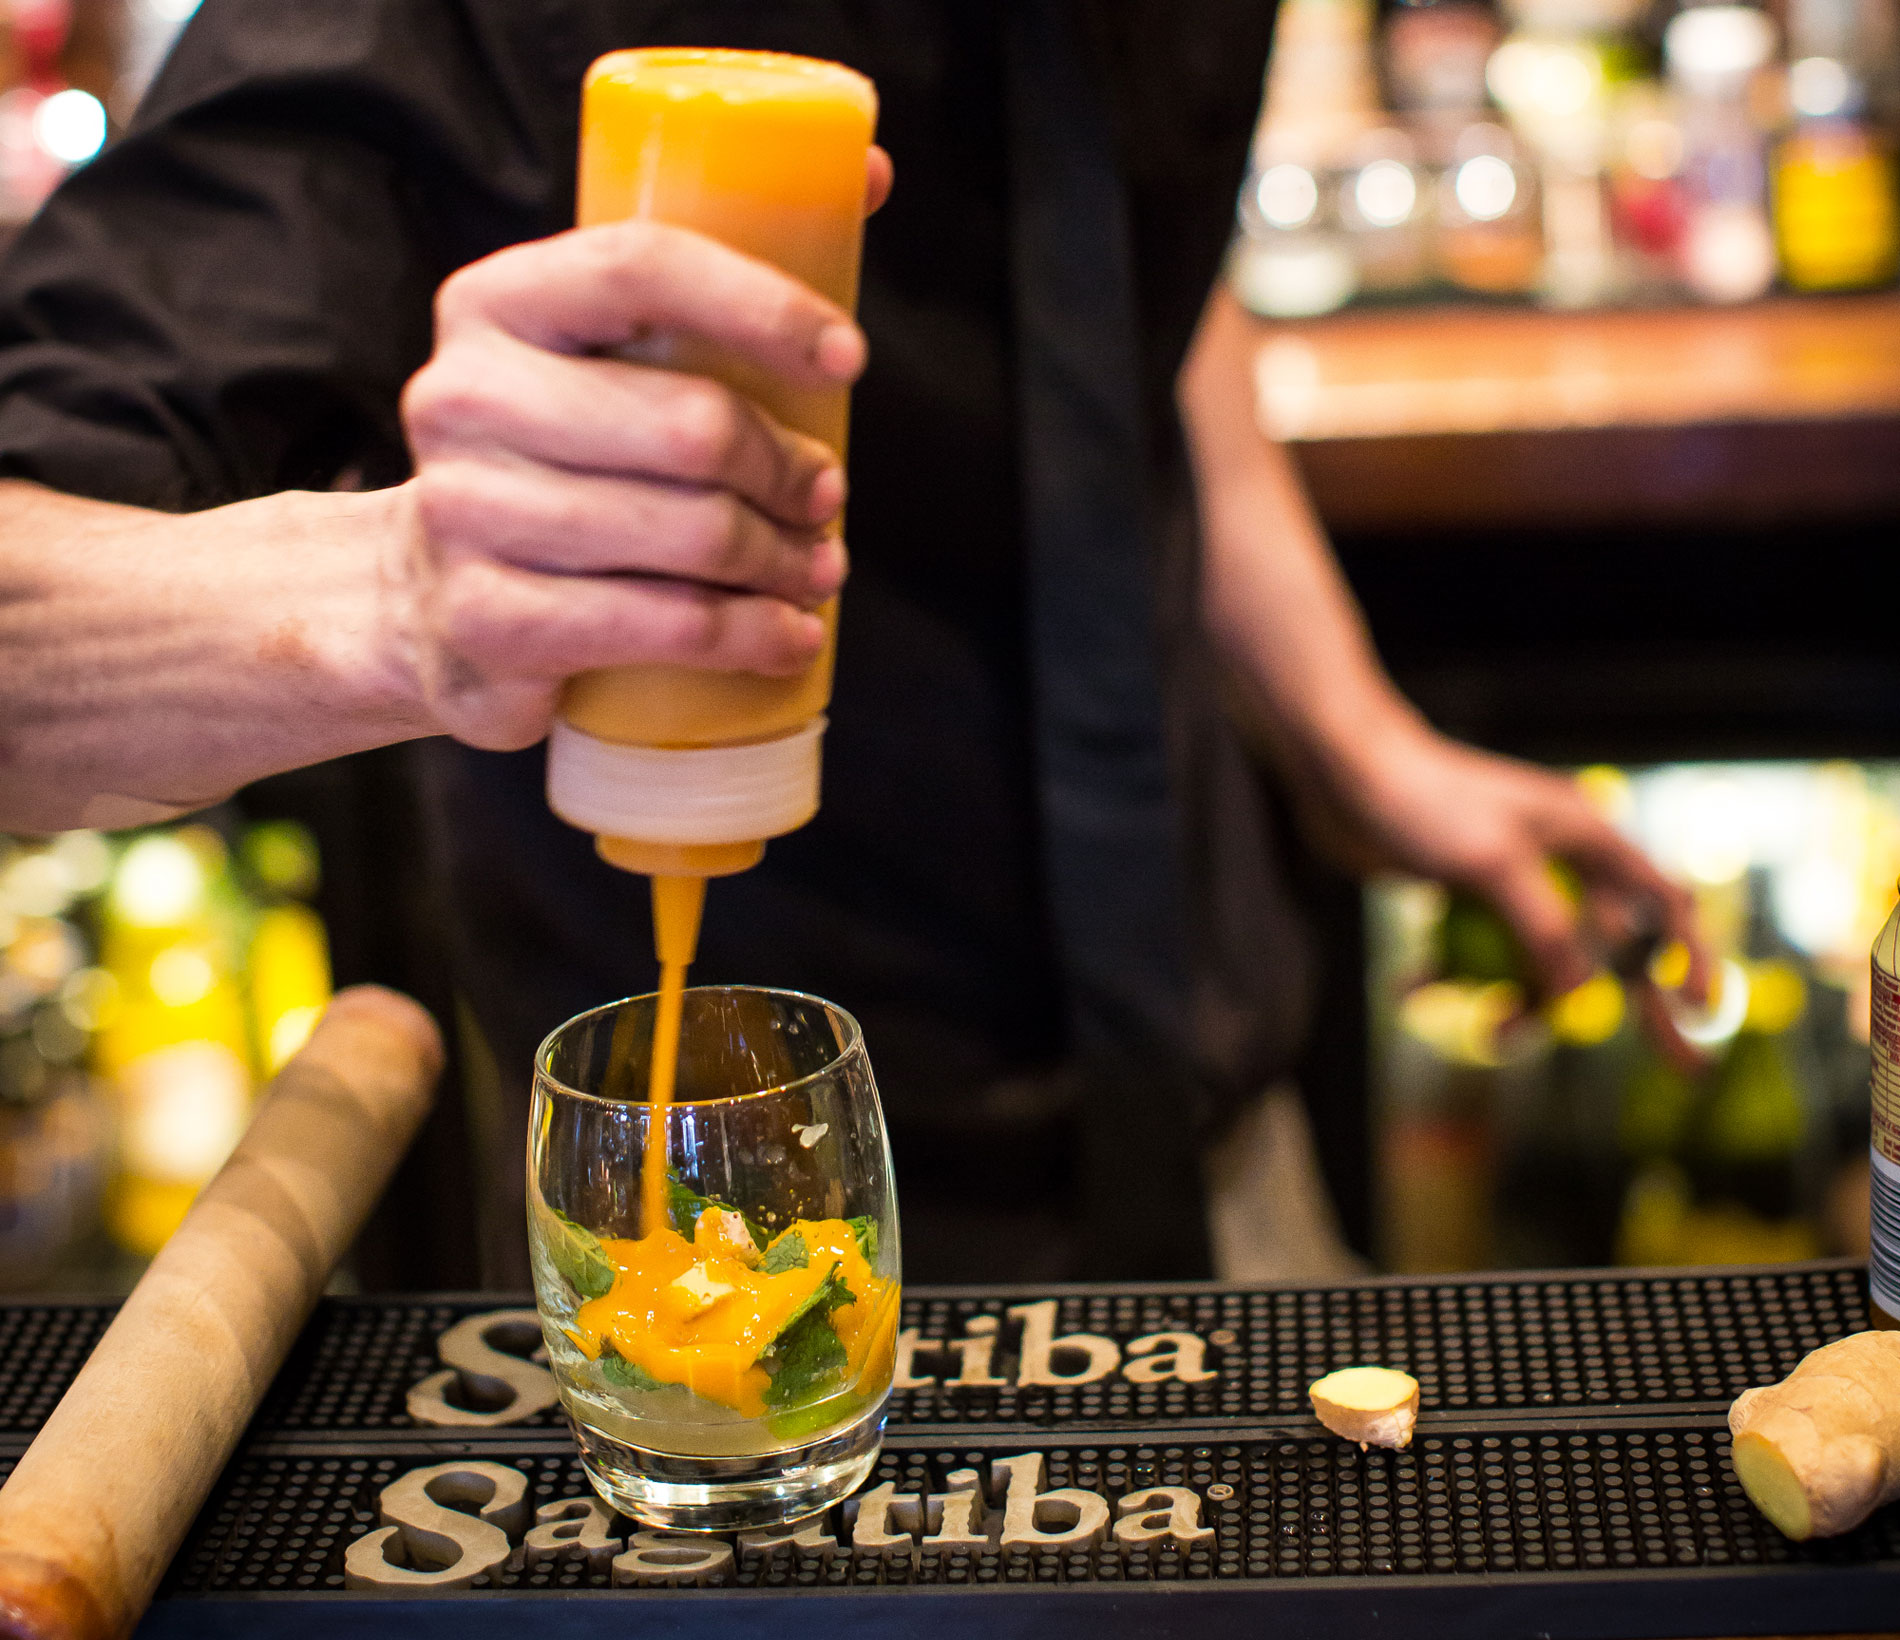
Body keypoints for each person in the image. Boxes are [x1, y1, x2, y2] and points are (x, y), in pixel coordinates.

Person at [0, 0, 1696, 1284]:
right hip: (705, 1203)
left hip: (1221, 1106)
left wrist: (1355, 736)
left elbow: (1135, 299)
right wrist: (407, 600)